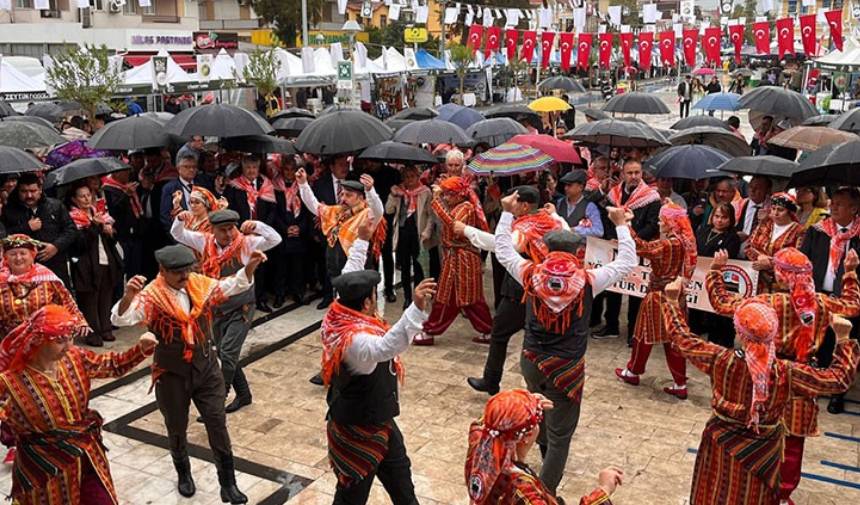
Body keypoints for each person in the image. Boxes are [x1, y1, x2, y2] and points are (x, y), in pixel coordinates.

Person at [662, 279, 860, 505]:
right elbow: (837, 379)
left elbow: (681, 339)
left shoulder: (721, 359)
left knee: (715, 490)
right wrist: (843, 339)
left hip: (720, 441)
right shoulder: (786, 371)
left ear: (739, 331)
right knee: (754, 495)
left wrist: (671, 302)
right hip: (763, 449)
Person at [494, 191, 637, 495]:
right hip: (567, 368)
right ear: (578, 251)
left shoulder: (531, 274)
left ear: (546, 248)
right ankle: (541, 497)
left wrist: (506, 213)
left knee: (540, 417)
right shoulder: (588, 279)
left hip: (532, 360)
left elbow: (503, 250)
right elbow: (627, 261)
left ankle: (542, 474)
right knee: (561, 437)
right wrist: (621, 225)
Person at [111, 244, 267, 504]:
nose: (185, 277)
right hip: (172, 374)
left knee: (217, 422)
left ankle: (228, 483)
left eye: (187, 270)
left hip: (206, 368)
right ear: (163, 271)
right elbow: (120, 319)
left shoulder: (198, 283)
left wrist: (250, 266)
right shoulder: (151, 295)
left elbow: (230, 286)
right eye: (178, 273)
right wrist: (128, 296)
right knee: (176, 426)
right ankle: (183, 473)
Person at [707, 247, 860, 503]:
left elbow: (722, 303)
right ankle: (782, 495)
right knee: (793, 446)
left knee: (761, 437)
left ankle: (755, 488)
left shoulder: (767, 303)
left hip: (768, 377)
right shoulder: (821, 303)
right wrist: (851, 273)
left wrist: (715, 272)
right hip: (802, 378)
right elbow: (853, 305)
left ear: (780, 275)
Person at [321, 214, 436, 505]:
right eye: (374, 295)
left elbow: (349, 274)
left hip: (380, 418)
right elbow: (386, 346)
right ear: (368, 303)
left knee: (402, 482)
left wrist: (362, 238)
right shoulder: (355, 340)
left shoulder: (338, 313)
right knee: (351, 496)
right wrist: (416, 309)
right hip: (358, 427)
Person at [0, 305, 158, 505]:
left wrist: (141, 349)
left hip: (85, 455)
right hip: (45, 468)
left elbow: (112, 365)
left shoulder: (75, 357)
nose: (68, 346)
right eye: (59, 340)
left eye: (70, 337)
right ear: (39, 340)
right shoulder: (10, 381)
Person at [171, 209, 281, 414]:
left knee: (229, 353)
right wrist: (179, 219)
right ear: (212, 230)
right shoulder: (204, 242)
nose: (228, 234)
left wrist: (257, 226)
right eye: (223, 230)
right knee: (224, 353)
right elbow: (179, 234)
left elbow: (275, 239)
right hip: (217, 308)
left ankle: (217, 402)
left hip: (242, 306)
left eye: (231, 228)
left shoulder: (246, 242)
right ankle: (244, 394)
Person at [461, 186, 568, 395]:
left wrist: (467, 231)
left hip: (522, 289)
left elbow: (502, 246)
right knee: (536, 338)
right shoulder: (552, 221)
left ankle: (493, 380)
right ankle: (539, 385)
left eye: (514, 202)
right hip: (543, 289)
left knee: (501, 333)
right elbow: (566, 227)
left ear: (525, 205)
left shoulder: (526, 228)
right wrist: (554, 212)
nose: (511, 205)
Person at [465, 389, 624, 505]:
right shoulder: (522, 490)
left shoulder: (480, 442)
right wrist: (604, 489)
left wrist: (523, 404)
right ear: (526, 437)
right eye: (536, 423)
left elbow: (491, 419)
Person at [615, 203, 696, 399]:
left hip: (658, 296)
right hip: (677, 297)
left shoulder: (667, 244)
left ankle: (633, 371)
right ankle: (679, 383)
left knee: (643, 335)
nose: (659, 224)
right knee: (674, 339)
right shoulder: (685, 242)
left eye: (662, 220)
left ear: (670, 224)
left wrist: (625, 224)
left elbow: (642, 248)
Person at [800, 187, 860, 414]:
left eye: (840, 204)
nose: (833, 207)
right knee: (817, 343)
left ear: (854, 209)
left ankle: (838, 393)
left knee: (842, 344)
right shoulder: (818, 230)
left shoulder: (858, 235)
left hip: (847, 299)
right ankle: (817, 383)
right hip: (818, 295)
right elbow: (803, 260)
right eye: (832, 202)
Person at [417, 176, 493, 346]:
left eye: (448, 195)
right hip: (454, 257)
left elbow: (453, 225)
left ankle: (430, 331)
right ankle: (488, 330)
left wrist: (436, 200)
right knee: (458, 297)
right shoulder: (458, 206)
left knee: (462, 298)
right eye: (444, 195)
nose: (445, 198)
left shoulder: (466, 208)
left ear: (459, 195)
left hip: (463, 259)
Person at [297, 167, 385, 308]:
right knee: (340, 305)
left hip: (357, 272)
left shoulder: (367, 214)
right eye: (342, 194)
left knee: (359, 308)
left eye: (349, 195)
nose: (343, 199)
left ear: (361, 198)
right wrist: (303, 184)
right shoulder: (337, 211)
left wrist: (370, 191)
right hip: (336, 271)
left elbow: (379, 210)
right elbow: (314, 206)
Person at [592, 160, 661, 342]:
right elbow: (606, 218)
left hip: (639, 248)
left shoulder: (651, 197)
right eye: (630, 173)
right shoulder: (614, 194)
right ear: (622, 174)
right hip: (615, 245)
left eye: (637, 172)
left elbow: (653, 225)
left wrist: (632, 239)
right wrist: (611, 237)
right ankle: (611, 325)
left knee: (635, 291)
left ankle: (634, 331)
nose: (633, 177)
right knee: (614, 286)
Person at [67, 182, 123, 347]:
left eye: (88, 195)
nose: (86, 199)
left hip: (105, 258)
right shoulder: (73, 217)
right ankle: (93, 333)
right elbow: (80, 243)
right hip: (86, 263)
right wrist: (95, 226)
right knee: (89, 299)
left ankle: (106, 328)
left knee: (106, 294)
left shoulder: (98, 212)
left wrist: (109, 231)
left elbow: (113, 238)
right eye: (82, 196)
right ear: (74, 200)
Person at [0, 234, 88, 337]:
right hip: (10, 339)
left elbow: (66, 300)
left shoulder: (47, 277)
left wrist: (80, 322)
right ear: (5, 257)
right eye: (13, 254)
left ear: (32, 255)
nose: (18, 258)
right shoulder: (2, 280)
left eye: (23, 253)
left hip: (44, 338)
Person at [1, 173, 77, 286]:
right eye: (24, 191)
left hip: (55, 264)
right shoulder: (9, 210)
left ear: (40, 190)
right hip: (24, 268)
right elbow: (5, 236)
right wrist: (26, 228)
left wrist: (56, 246)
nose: (29, 195)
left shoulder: (55, 206)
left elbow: (71, 230)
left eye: (33, 191)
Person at [690, 202, 741, 348]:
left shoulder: (733, 237)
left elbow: (727, 256)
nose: (719, 220)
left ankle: (717, 343)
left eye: (724, 217)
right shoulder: (703, 230)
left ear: (731, 219)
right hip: (699, 278)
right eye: (717, 216)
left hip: (719, 279)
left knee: (716, 312)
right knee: (695, 310)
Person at [268, 154, 312, 307]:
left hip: (299, 230)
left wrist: (300, 227)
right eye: (286, 169)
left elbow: (308, 210)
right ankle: (279, 294)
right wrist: (285, 228)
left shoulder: (303, 187)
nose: (288, 173)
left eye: (291, 170)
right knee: (281, 266)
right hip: (282, 231)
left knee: (297, 266)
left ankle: (298, 292)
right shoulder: (275, 187)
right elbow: (274, 212)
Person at [385, 165, 432, 309]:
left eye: (412, 176)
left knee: (418, 267)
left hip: (419, 233)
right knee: (404, 267)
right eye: (406, 177)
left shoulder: (426, 192)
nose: (409, 180)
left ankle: (417, 296)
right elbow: (388, 209)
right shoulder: (399, 191)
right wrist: (393, 195)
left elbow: (431, 215)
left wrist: (428, 230)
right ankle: (407, 297)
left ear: (418, 177)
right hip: (403, 232)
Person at [745, 192, 804, 293]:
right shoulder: (765, 224)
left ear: (790, 212)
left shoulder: (799, 231)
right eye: (773, 209)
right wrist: (759, 257)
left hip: (780, 285)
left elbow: (797, 260)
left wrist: (771, 263)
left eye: (780, 210)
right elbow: (749, 246)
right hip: (756, 280)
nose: (775, 213)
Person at [102, 167, 145, 279]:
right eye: (124, 172)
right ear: (116, 173)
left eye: (128, 172)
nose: (128, 175)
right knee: (123, 268)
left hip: (136, 233)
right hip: (122, 235)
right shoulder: (108, 189)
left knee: (136, 269)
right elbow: (113, 211)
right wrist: (125, 195)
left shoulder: (131, 186)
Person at [159, 154, 211, 232]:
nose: (191, 170)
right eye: (187, 167)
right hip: (182, 233)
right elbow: (165, 216)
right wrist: (176, 236)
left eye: (194, 167)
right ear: (178, 168)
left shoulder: (203, 184)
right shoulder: (170, 188)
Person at [556, 170, 603, 237]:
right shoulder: (560, 202)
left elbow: (598, 231)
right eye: (565, 185)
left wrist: (576, 230)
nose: (566, 188)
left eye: (569, 185)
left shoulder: (590, 207)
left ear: (580, 187)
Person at [736, 175, 772, 244]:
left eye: (758, 188)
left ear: (767, 190)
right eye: (750, 187)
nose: (752, 190)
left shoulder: (772, 209)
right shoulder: (739, 205)